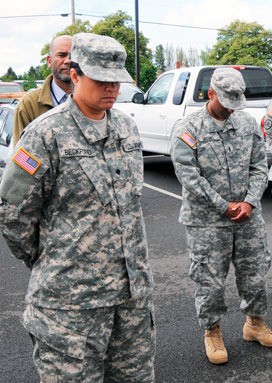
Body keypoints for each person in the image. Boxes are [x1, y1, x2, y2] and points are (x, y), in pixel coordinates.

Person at [0, 33, 155, 382]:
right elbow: (13, 212)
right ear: (75, 74)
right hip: (68, 308)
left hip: (131, 302)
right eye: (101, 79)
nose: (111, 88)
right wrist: (53, 258)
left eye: (116, 81)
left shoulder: (127, 129)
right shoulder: (45, 133)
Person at [170, 67, 272, 365]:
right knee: (209, 280)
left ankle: (255, 323)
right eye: (226, 100)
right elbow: (187, 174)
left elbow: (259, 164)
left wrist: (249, 201)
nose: (232, 106)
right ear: (210, 94)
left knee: (255, 271)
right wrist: (223, 205)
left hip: (248, 217)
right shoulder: (189, 127)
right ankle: (212, 330)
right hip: (206, 220)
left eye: (236, 100)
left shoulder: (247, 124)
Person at [13, 35, 73, 145]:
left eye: (73, 55)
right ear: (49, 61)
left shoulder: (94, 101)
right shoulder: (29, 104)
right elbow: (21, 157)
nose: (68, 61)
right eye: (61, 55)